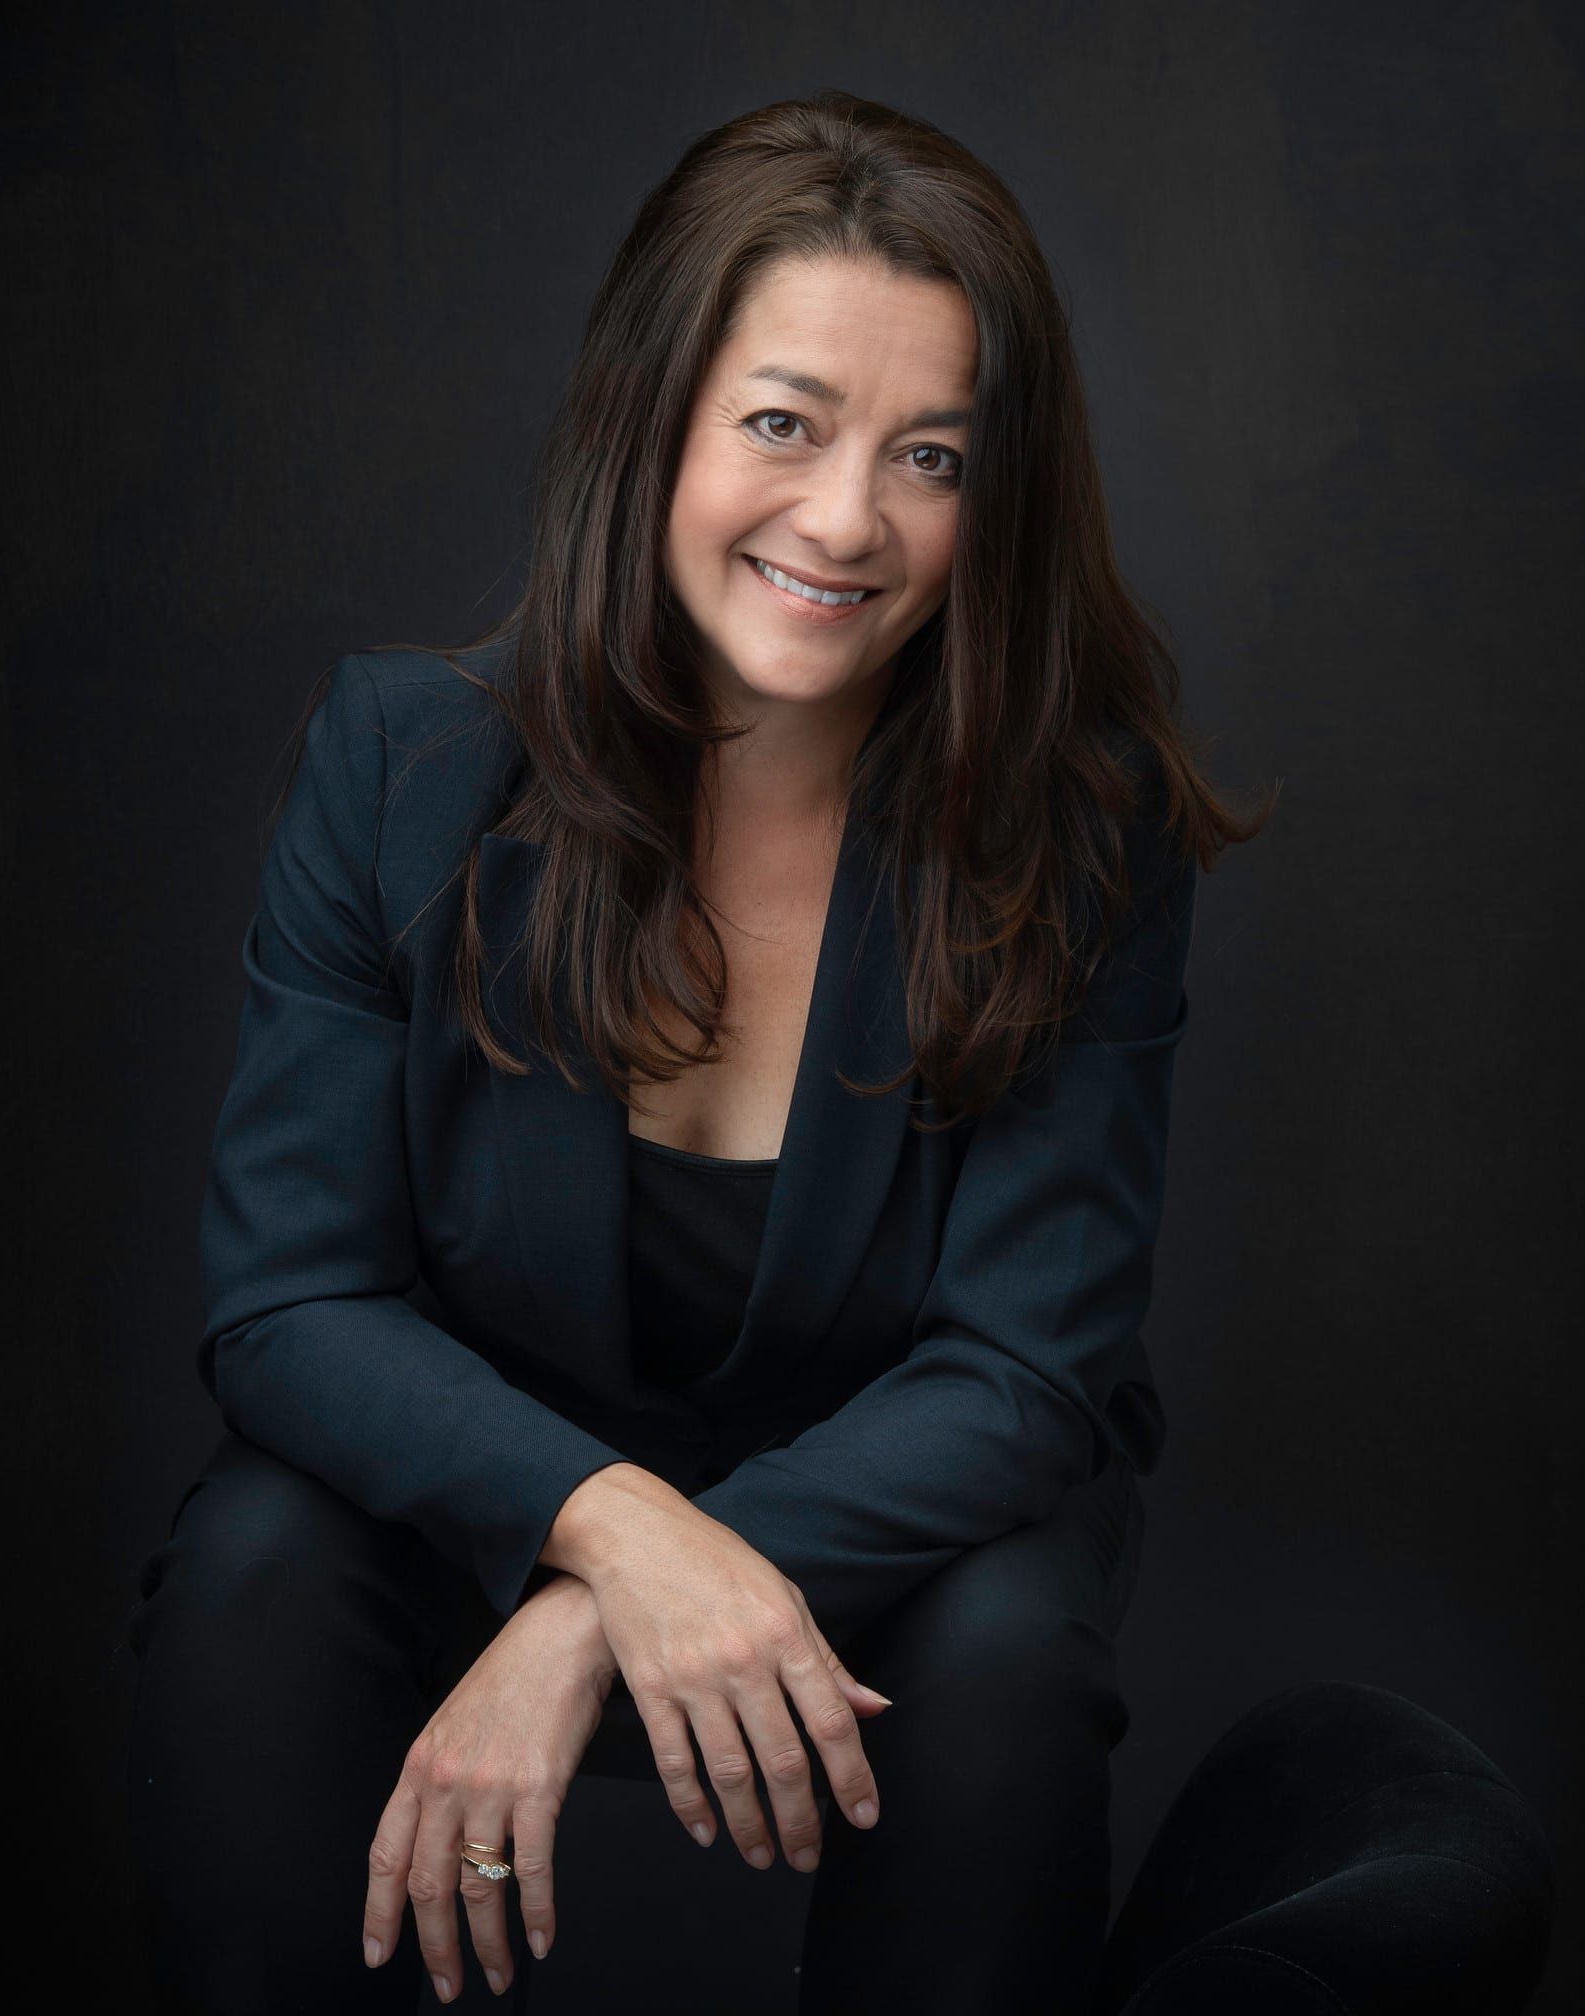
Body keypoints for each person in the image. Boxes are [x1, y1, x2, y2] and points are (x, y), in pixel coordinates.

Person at [126, 89, 1270, 2015]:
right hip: (475, 1507)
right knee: (255, 1565)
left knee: (1009, 1640)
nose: (847, 519)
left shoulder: (1085, 832)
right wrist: (610, 1540)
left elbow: (1024, 1369)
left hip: (906, 1530)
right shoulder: (400, 767)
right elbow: (292, 1302)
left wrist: (604, 1612)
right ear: (648, 417)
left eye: (930, 456)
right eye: (782, 424)